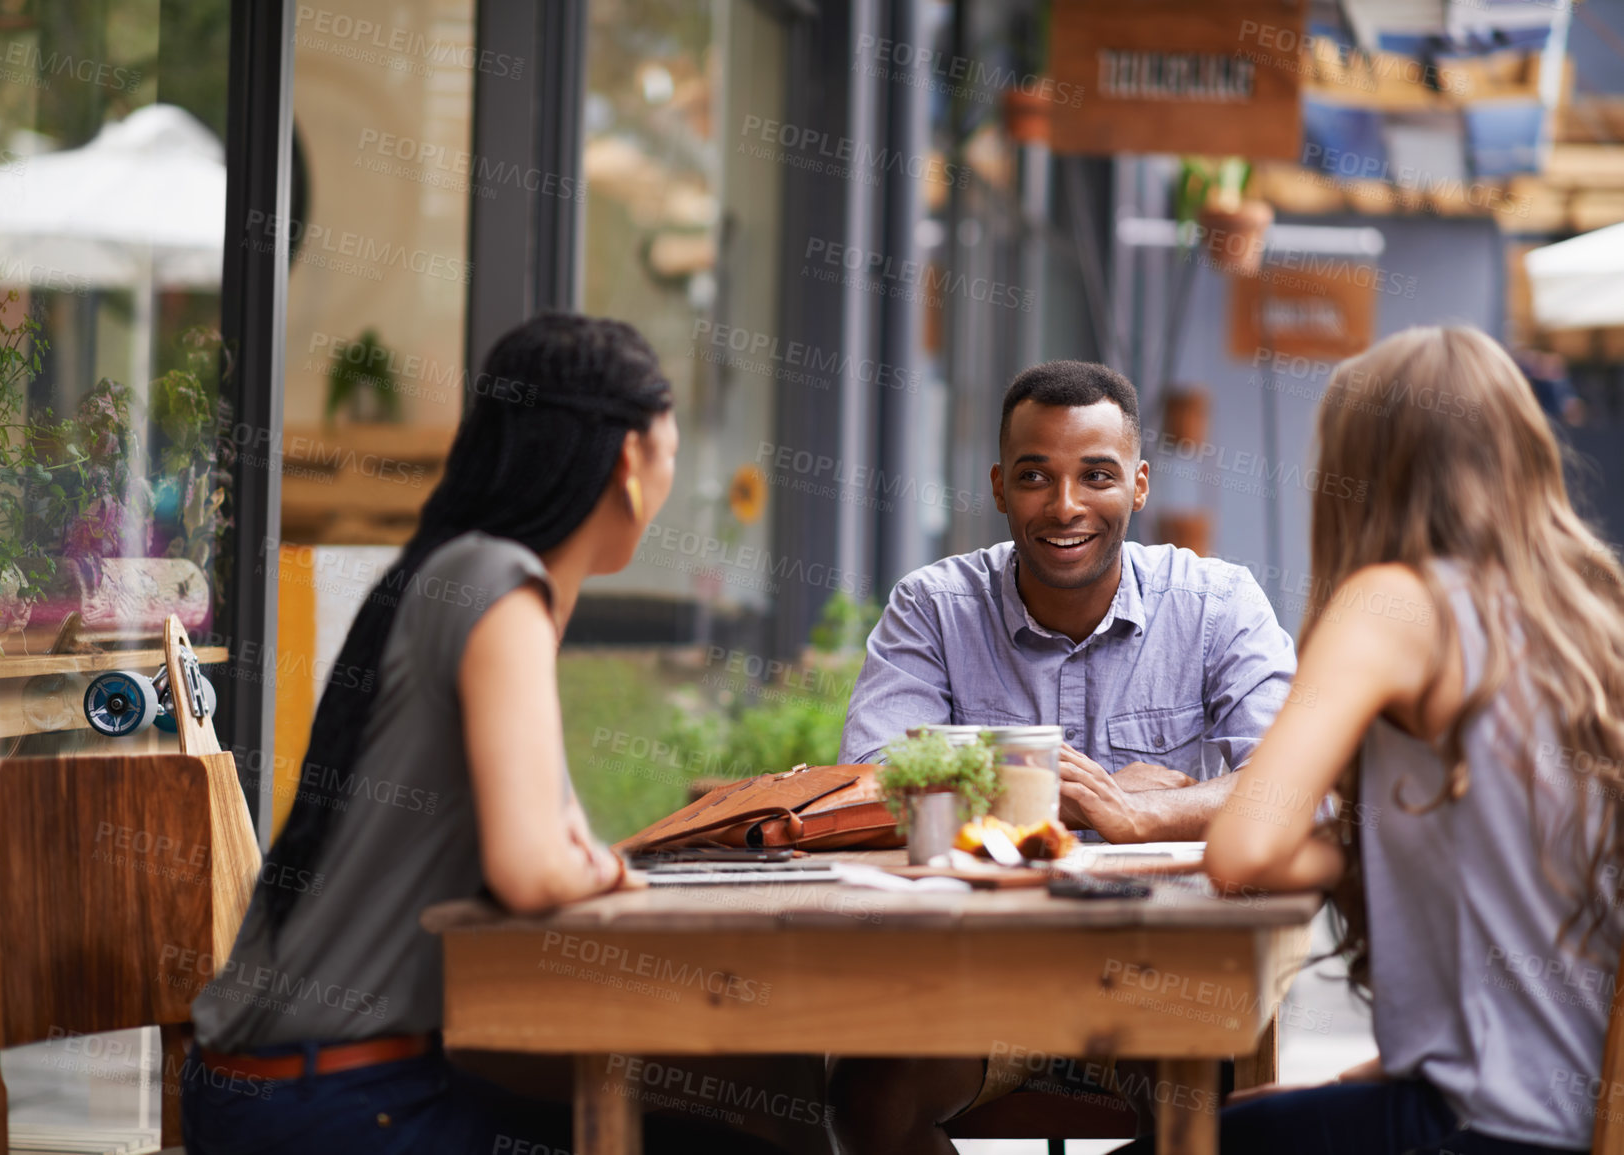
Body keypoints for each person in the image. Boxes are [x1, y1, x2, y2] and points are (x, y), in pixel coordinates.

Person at [182, 315, 804, 1154]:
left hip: (294, 1086)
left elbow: (565, 842)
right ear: (627, 461)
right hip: (337, 1101)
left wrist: (588, 861)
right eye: (671, 455)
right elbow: (534, 863)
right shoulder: (494, 583)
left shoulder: (463, 573)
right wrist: (595, 866)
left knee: (738, 1116)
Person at [1116, 326, 1624, 1154]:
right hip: (1550, 1122)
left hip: (1472, 1129)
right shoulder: (1583, 621)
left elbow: (1243, 848)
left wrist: (1319, 844)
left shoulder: (1397, 602)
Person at [831, 360, 1297, 1155]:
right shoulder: (933, 608)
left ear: (1140, 484)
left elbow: (1296, 787)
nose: (1065, 504)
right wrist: (1068, 792)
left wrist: (1144, 812)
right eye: (1035, 476)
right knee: (866, 1101)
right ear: (998, 486)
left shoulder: (1217, 603)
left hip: (1155, 986)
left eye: (1096, 475)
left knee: (1213, 1118)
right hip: (973, 983)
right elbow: (875, 786)